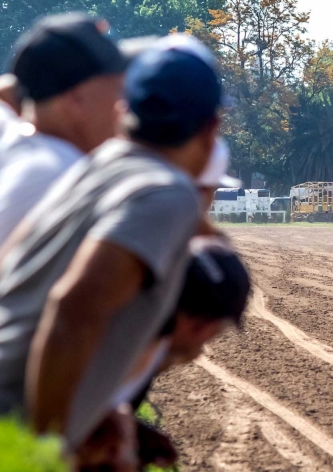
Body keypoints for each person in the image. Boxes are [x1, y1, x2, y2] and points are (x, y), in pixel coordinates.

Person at [0, 34, 221, 454]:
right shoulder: (166, 191)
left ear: (124, 111)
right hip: (15, 426)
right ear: (211, 129)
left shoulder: (100, 164)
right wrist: (45, 449)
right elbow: (74, 307)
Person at [79, 236, 251, 470]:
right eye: (220, 327)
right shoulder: (123, 351)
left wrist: (137, 430)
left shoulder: (138, 336)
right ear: (201, 326)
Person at [0, 13, 126, 246]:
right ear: (76, 102)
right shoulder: (67, 179)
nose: (123, 106)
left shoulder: (11, 135)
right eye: (117, 89)